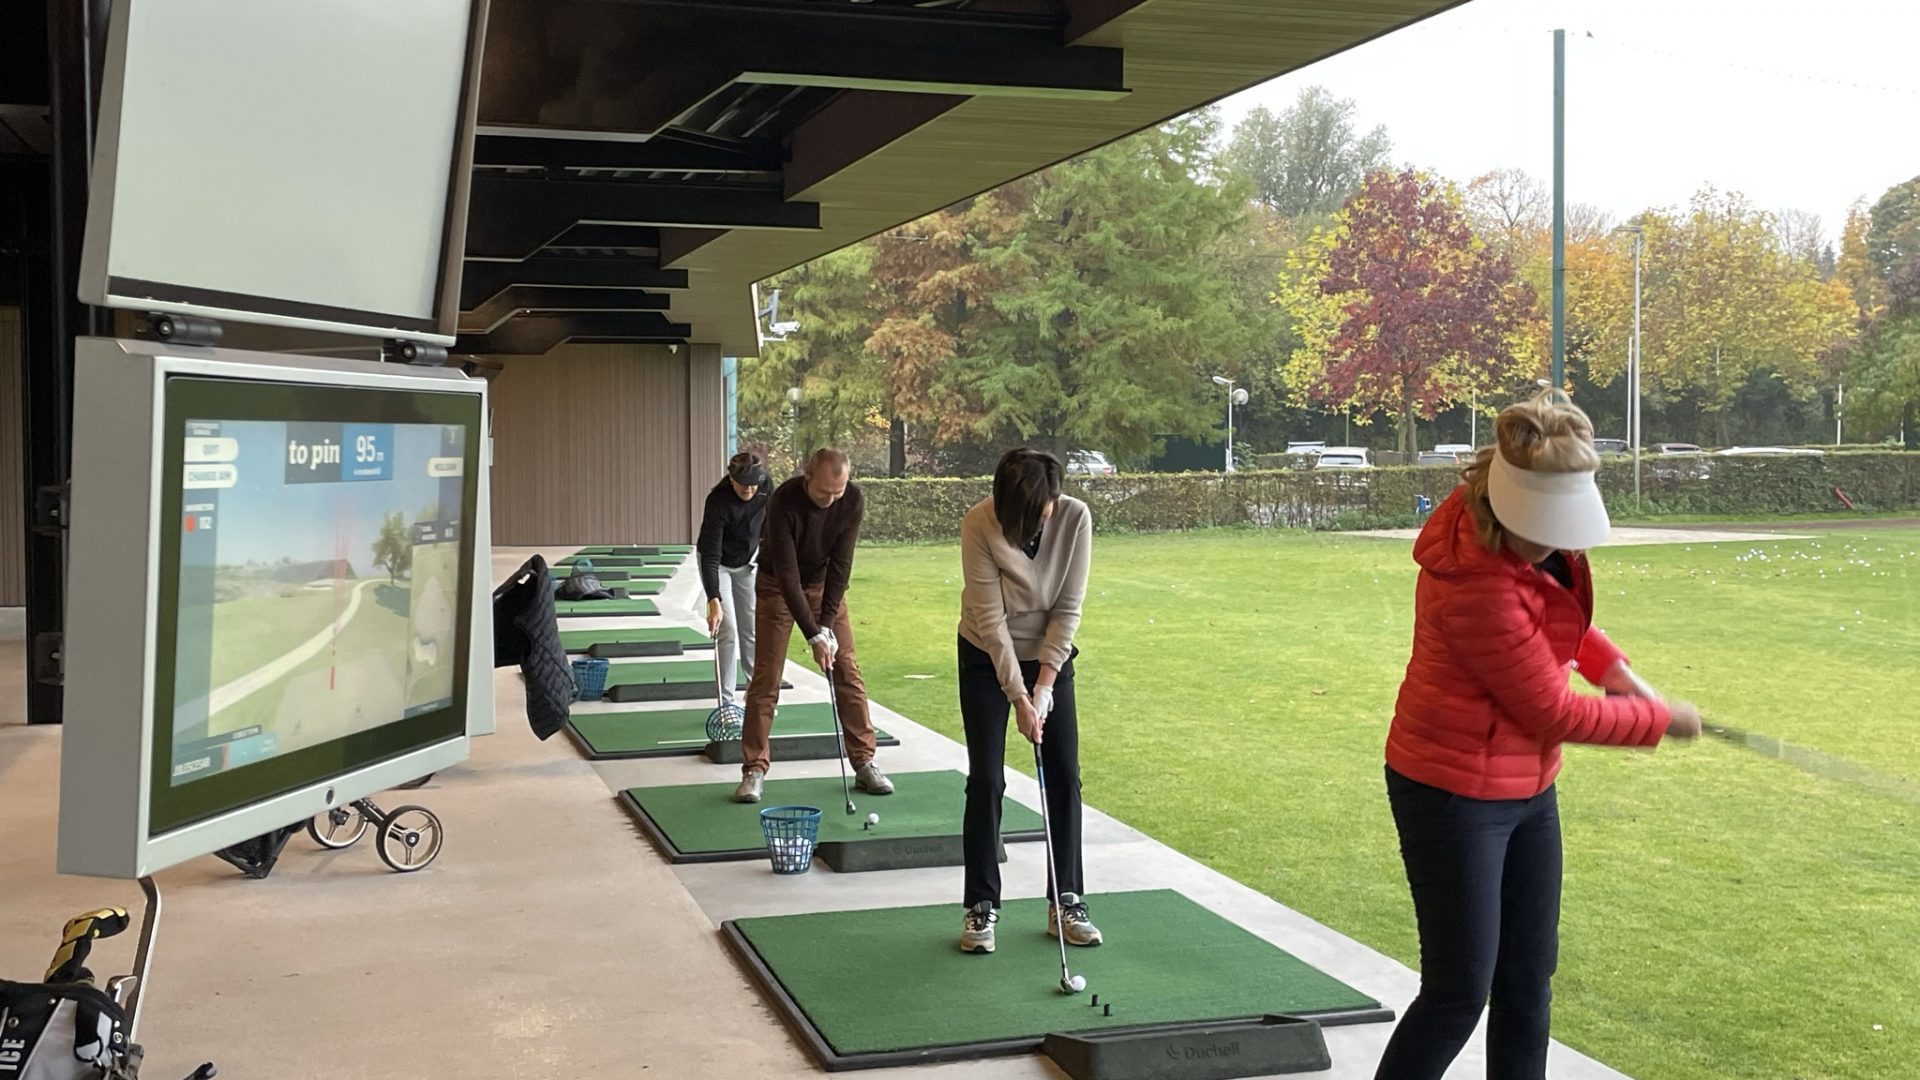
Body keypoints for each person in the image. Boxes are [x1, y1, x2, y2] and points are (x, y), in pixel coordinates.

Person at [1375, 390, 1703, 1080]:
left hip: (1528, 787)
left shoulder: (1536, 542)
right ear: (1508, 502)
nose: (1558, 536)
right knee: (1459, 992)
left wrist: (1616, 670)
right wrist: (1657, 719)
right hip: (1450, 791)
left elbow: (1560, 621)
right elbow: (1553, 711)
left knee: (1527, 980)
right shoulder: (1475, 584)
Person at [956, 449, 1096, 955]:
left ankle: (1067, 899)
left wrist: (1044, 688)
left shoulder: (1074, 517)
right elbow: (990, 623)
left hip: (1050, 656)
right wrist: (1018, 696)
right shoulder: (980, 523)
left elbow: (1068, 608)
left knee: (1063, 773)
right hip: (984, 653)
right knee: (987, 778)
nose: (1046, 513)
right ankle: (980, 906)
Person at [734, 448, 891, 803]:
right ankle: (754, 769)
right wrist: (813, 634)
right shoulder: (784, 500)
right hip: (777, 584)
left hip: (823, 587)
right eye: (824, 492)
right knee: (766, 676)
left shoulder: (851, 500)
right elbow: (788, 574)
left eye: (838, 491)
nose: (831, 499)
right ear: (808, 476)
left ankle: (865, 762)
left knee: (847, 670)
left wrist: (828, 625)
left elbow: (842, 565)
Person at [697, 451, 771, 707]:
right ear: (731, 478)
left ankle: (757, 698)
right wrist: (713, 600)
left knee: (751, 628)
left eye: (753, 483)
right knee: (727, 629)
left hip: (748, 562)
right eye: (743, 484)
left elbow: (770, 524)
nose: (749, 490)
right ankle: (726, 704)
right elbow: (710, 556)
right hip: (719, 564)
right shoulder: (718, 501)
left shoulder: (764, 487)